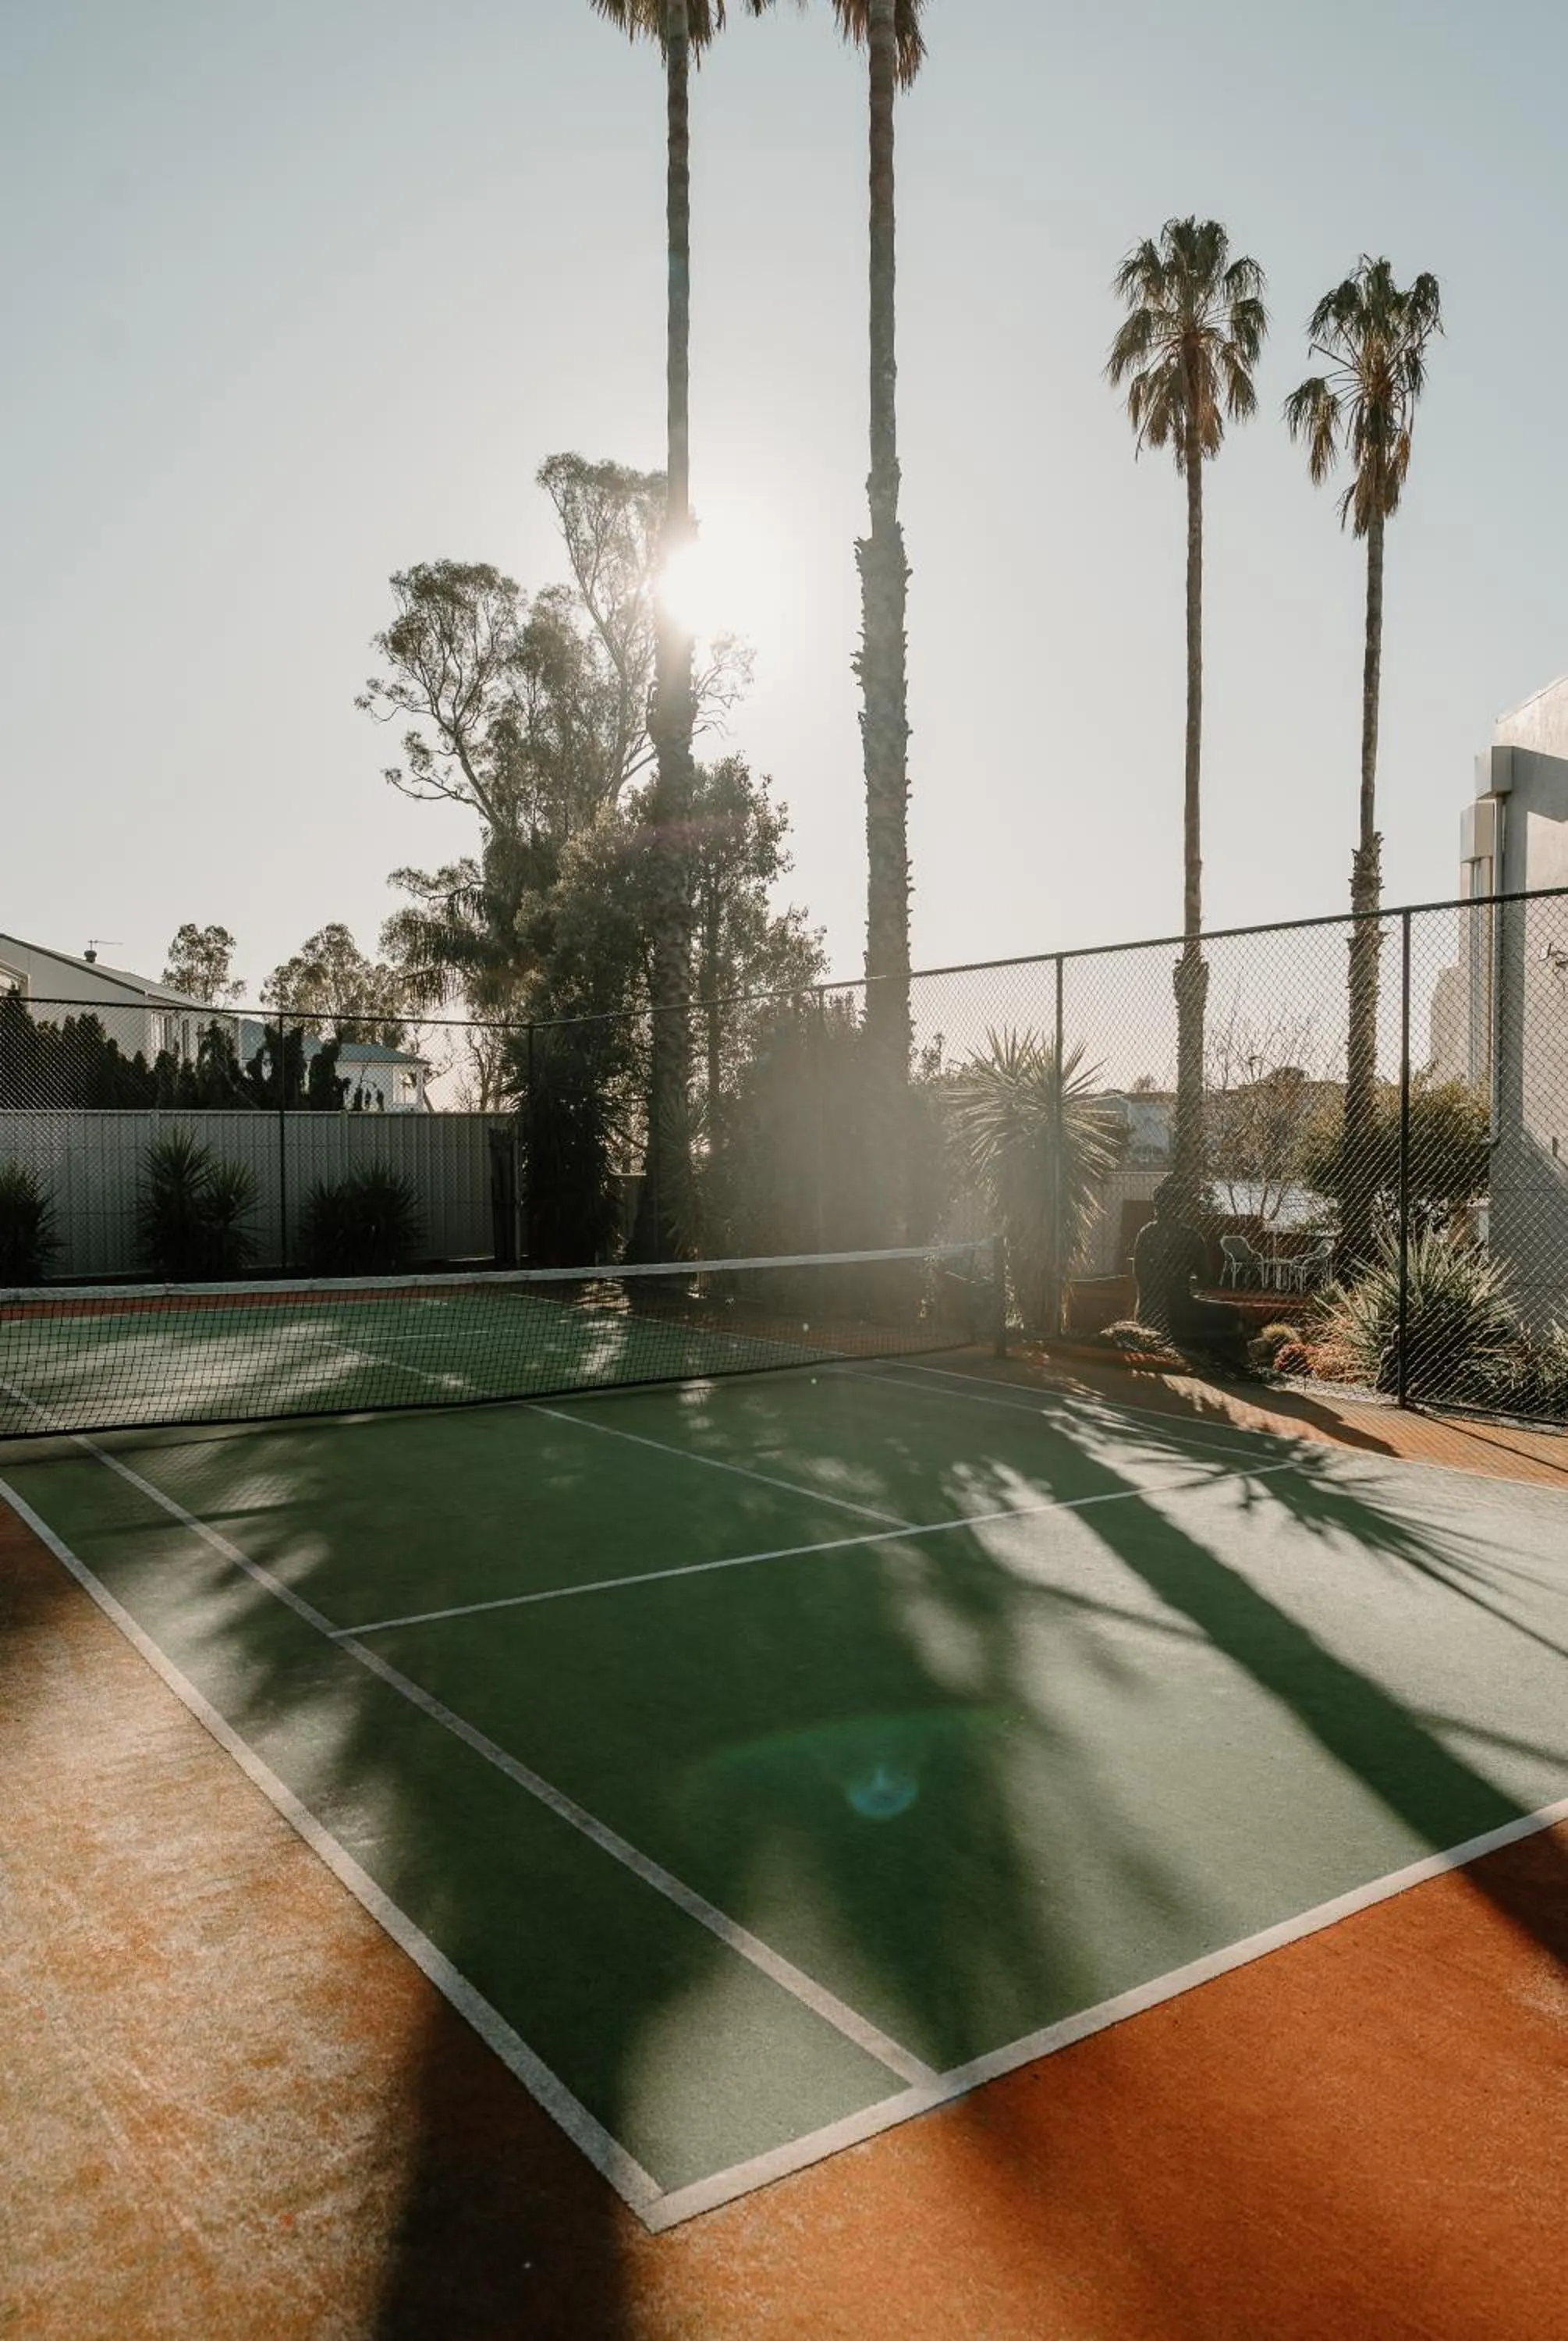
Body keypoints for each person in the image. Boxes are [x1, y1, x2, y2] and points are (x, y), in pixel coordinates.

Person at [1132, 1179, 1248, 1365]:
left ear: (1156, 1206)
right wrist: (1184, 1277)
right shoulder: (1191, 1237)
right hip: (1179, 1310)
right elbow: (1205, 1279)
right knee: (1230, 1312)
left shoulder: (1145, 1233)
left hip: (1146, 1310)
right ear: (1180, 1208)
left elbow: (1139, 1274)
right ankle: (1236, 1364)